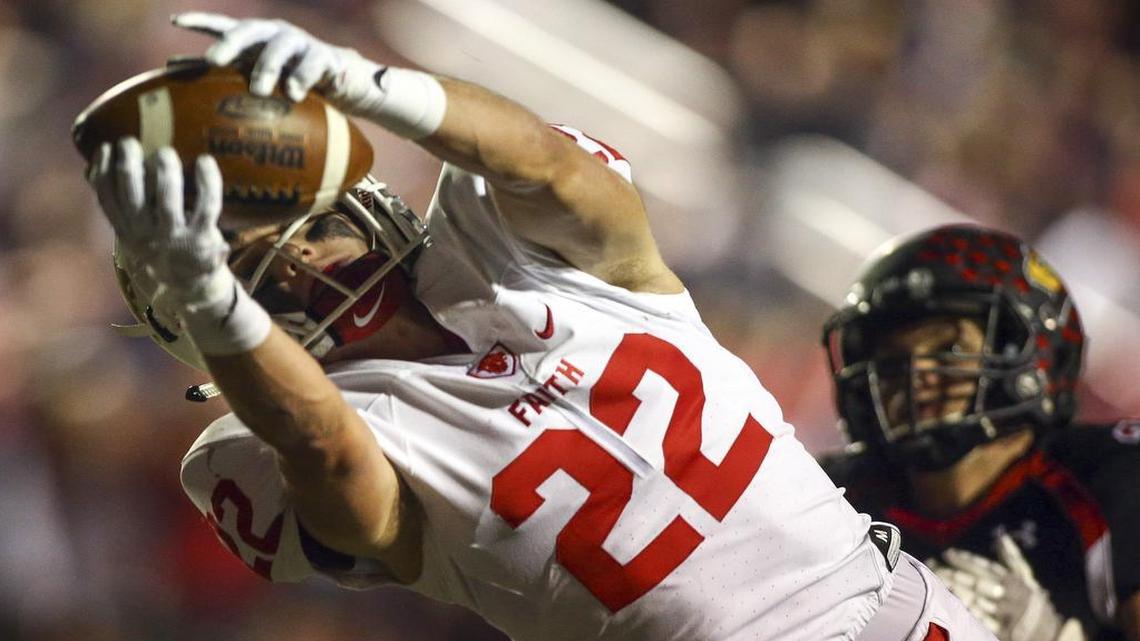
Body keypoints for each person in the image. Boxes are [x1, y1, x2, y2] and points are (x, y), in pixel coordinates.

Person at [84, 13, 996, 641]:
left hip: (912, 610)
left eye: (312, 226)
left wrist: (361, 82)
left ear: (361, 200)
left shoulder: (502, 240)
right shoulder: (253, 445)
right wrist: (212, 291)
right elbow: (328, 457)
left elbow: (550, 164)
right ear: (211, 332)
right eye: (257, 276)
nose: (303, 266)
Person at [820, 224, 1140, 641]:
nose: (918, 377)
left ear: (1029, 353)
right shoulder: (834, 498)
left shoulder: (1112, 481)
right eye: (891, 357)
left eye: (949, 349)